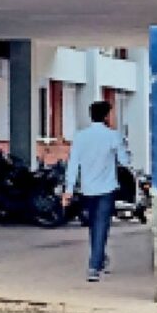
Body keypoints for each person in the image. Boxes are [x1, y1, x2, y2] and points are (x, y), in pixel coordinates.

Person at [61, 100, 128, 283]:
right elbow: (124, 161)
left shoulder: (80, 137)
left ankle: (99, 258)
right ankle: (94, 266)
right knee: (102, 225)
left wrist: (68, 190)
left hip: (87, 188)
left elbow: (73, 164)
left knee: (94, 225)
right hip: (107, 188)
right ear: (106, 116)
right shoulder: (113, 136)